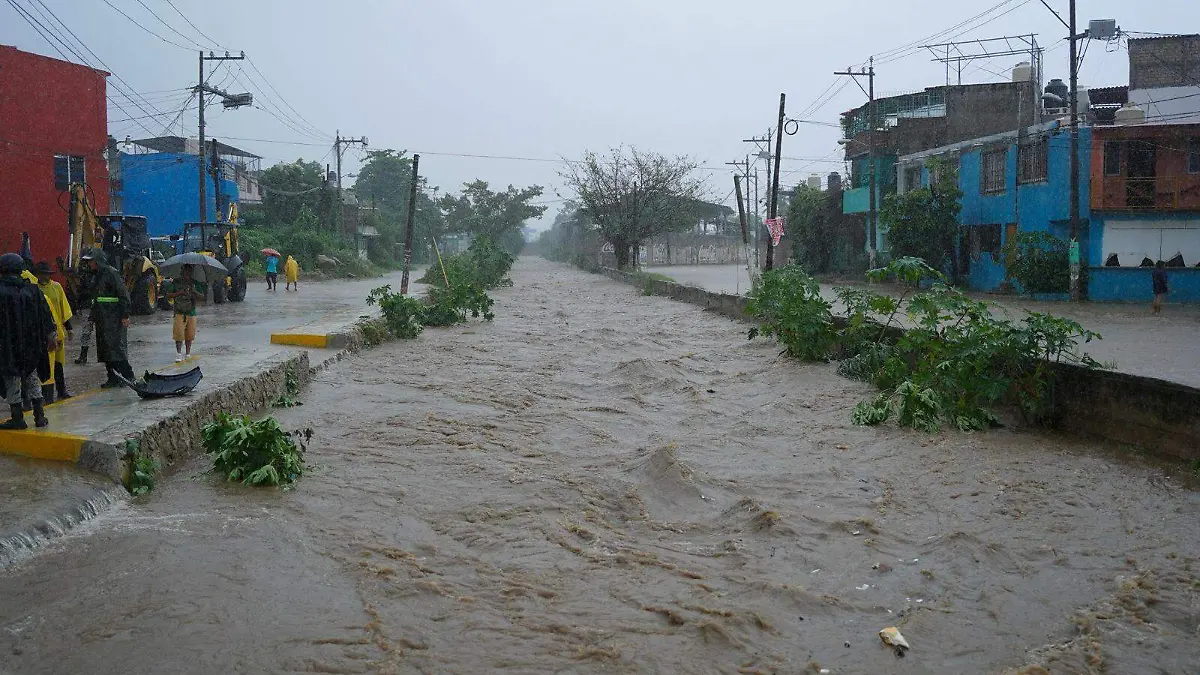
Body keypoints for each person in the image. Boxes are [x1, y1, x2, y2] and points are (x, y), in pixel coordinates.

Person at [0, 253, 55, 429]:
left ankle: (17, 418)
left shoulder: (1, 291)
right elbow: (47, 316)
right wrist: (51, 336)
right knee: (32, 377)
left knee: (12, 379)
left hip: (7, 345)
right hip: (31, 346)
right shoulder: (32, 290)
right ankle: (40, 416)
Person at [82, 249, 135, 387]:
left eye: (91, 261)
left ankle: (128, 376)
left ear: (97, 260)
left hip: (114, 318)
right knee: (106, 349)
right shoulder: (96, 276)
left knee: (117, 348)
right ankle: (113, 377)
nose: (89, 264)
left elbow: (124, 295)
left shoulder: (111, 273)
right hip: (103, 319)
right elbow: (96, 299)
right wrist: (92, 318)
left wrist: (124, 315)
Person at [33, 261, 74, 401]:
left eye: (48, 274)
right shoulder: (34, 289)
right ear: (37, 275)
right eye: (43, 274)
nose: (46, 277)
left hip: (58, 332)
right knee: (45, 364)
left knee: (58, 364)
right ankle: (46, 395)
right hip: (43, 333)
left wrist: (69, 329)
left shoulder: (56, 287)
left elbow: (64, 308)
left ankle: (62, 390)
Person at [165, 264, 204, 362]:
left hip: (191, 312)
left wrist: (194, 291)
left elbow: (202, 297)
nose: (187, 273)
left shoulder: (195, 283)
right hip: (179, 312)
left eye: (189, 271)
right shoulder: (176, 282)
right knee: (178, 334)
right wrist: (180, 293)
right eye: (185, 271)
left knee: (190, 334)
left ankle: (187, 353)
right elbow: (168, 295)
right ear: (182, 271)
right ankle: (178, 353)